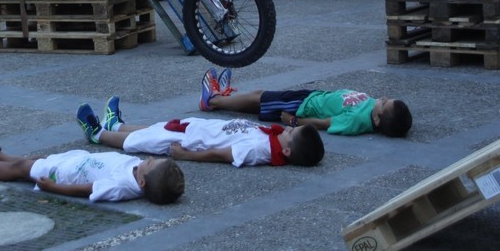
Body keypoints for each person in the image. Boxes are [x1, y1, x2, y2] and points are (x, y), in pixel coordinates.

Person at [0, 125, 184, 204]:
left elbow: (88, 189)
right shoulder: (140, 175)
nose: (148, 159)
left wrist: (54, 188)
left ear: (141, 182)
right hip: (75, 162)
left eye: (150, 163)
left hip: (65, 175)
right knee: (33, 162)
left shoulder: (121, 187)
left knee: (22, 168)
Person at [76, 98, 324, 168]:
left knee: (144, 140)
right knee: (157, 128)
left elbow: (222, 154)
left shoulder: (260, 150)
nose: (289, 128)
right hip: (198, 130)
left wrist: (186, 155)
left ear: (286, 150)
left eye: (292, 133)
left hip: (191, 142)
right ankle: (116, 125)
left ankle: (98, 135)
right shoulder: (273, 139)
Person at [200, 69, 412, 138]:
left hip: (303, 106)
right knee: (262, 101)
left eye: (384, 104)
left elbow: (326, 123)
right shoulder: (371, 111)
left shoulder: (357, 120)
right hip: (312, 97)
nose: (383, 98)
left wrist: (295, 121)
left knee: (260, 97)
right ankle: (225, 99)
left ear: (377, 120)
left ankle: (213, 100)